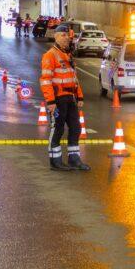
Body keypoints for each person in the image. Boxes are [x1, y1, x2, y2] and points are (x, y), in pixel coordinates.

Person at [40, 25, 89, 171]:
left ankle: (74, 159)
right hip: (58, 99)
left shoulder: (68, 55)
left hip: (70, 98)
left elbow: (74, 78)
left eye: (67, 36)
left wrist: (79, 96)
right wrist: (50, 101)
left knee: (75, 128)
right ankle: (55, 161)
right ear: (55, 36)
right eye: (62, 35)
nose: (66, 38)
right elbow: (45, 80)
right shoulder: (50, 55)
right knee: (58, 129)